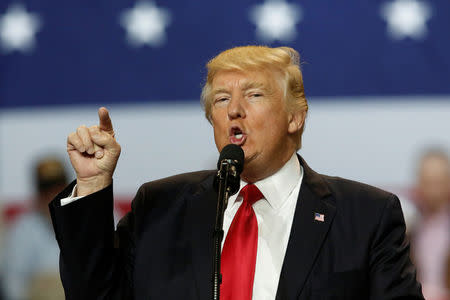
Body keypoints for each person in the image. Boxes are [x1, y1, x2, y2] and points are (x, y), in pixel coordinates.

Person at [49, 46, 424, 299]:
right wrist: (93, 184)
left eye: (255, 95)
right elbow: (92, 294)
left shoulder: (366, 216)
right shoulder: (159, 206)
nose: (234, 111)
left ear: (295, 116)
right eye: (222, 99)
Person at [1, 156, 66, 300]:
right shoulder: (23, 228)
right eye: (47, 191)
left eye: (59, 189)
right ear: (38, 195)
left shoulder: (95, 218)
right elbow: (14, 281)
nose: (53, 196)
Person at [410, 150, 450, 299]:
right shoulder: (407, 231)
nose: (433, 191)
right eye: (428, 182)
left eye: (438, 182)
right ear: (419, 183)